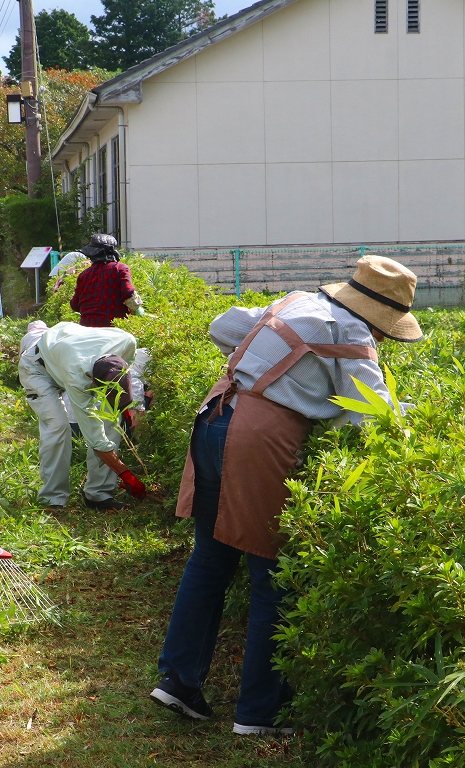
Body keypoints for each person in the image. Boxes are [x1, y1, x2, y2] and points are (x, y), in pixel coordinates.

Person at [149, 255, 423, 736]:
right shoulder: (353, 334)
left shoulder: (295, 301)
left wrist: (284, 370)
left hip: (216, 414)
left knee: (209, 560)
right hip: (259, 439)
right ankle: (259, 712)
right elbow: (371, 414)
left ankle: (177, 681)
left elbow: (221, 326)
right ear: (379, 316)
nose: (382, 337)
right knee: (272, 572)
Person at [18, 320, 148, 510]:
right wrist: (126, 475)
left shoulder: (127, 342)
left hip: (65, 349)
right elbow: (96, 439)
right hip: (39, 367)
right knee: (58, 426)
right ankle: (53, 498)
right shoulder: (77, 376)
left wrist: (125, 409)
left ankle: (99, 496)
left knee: (112, 422)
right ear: (92, 382)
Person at [69, 234, 144, 327]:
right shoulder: (120, 268)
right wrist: (137, 309)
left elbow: (74, 305)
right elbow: (128, 295)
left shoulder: (83, 275)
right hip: (113, 328)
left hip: (87, 328)